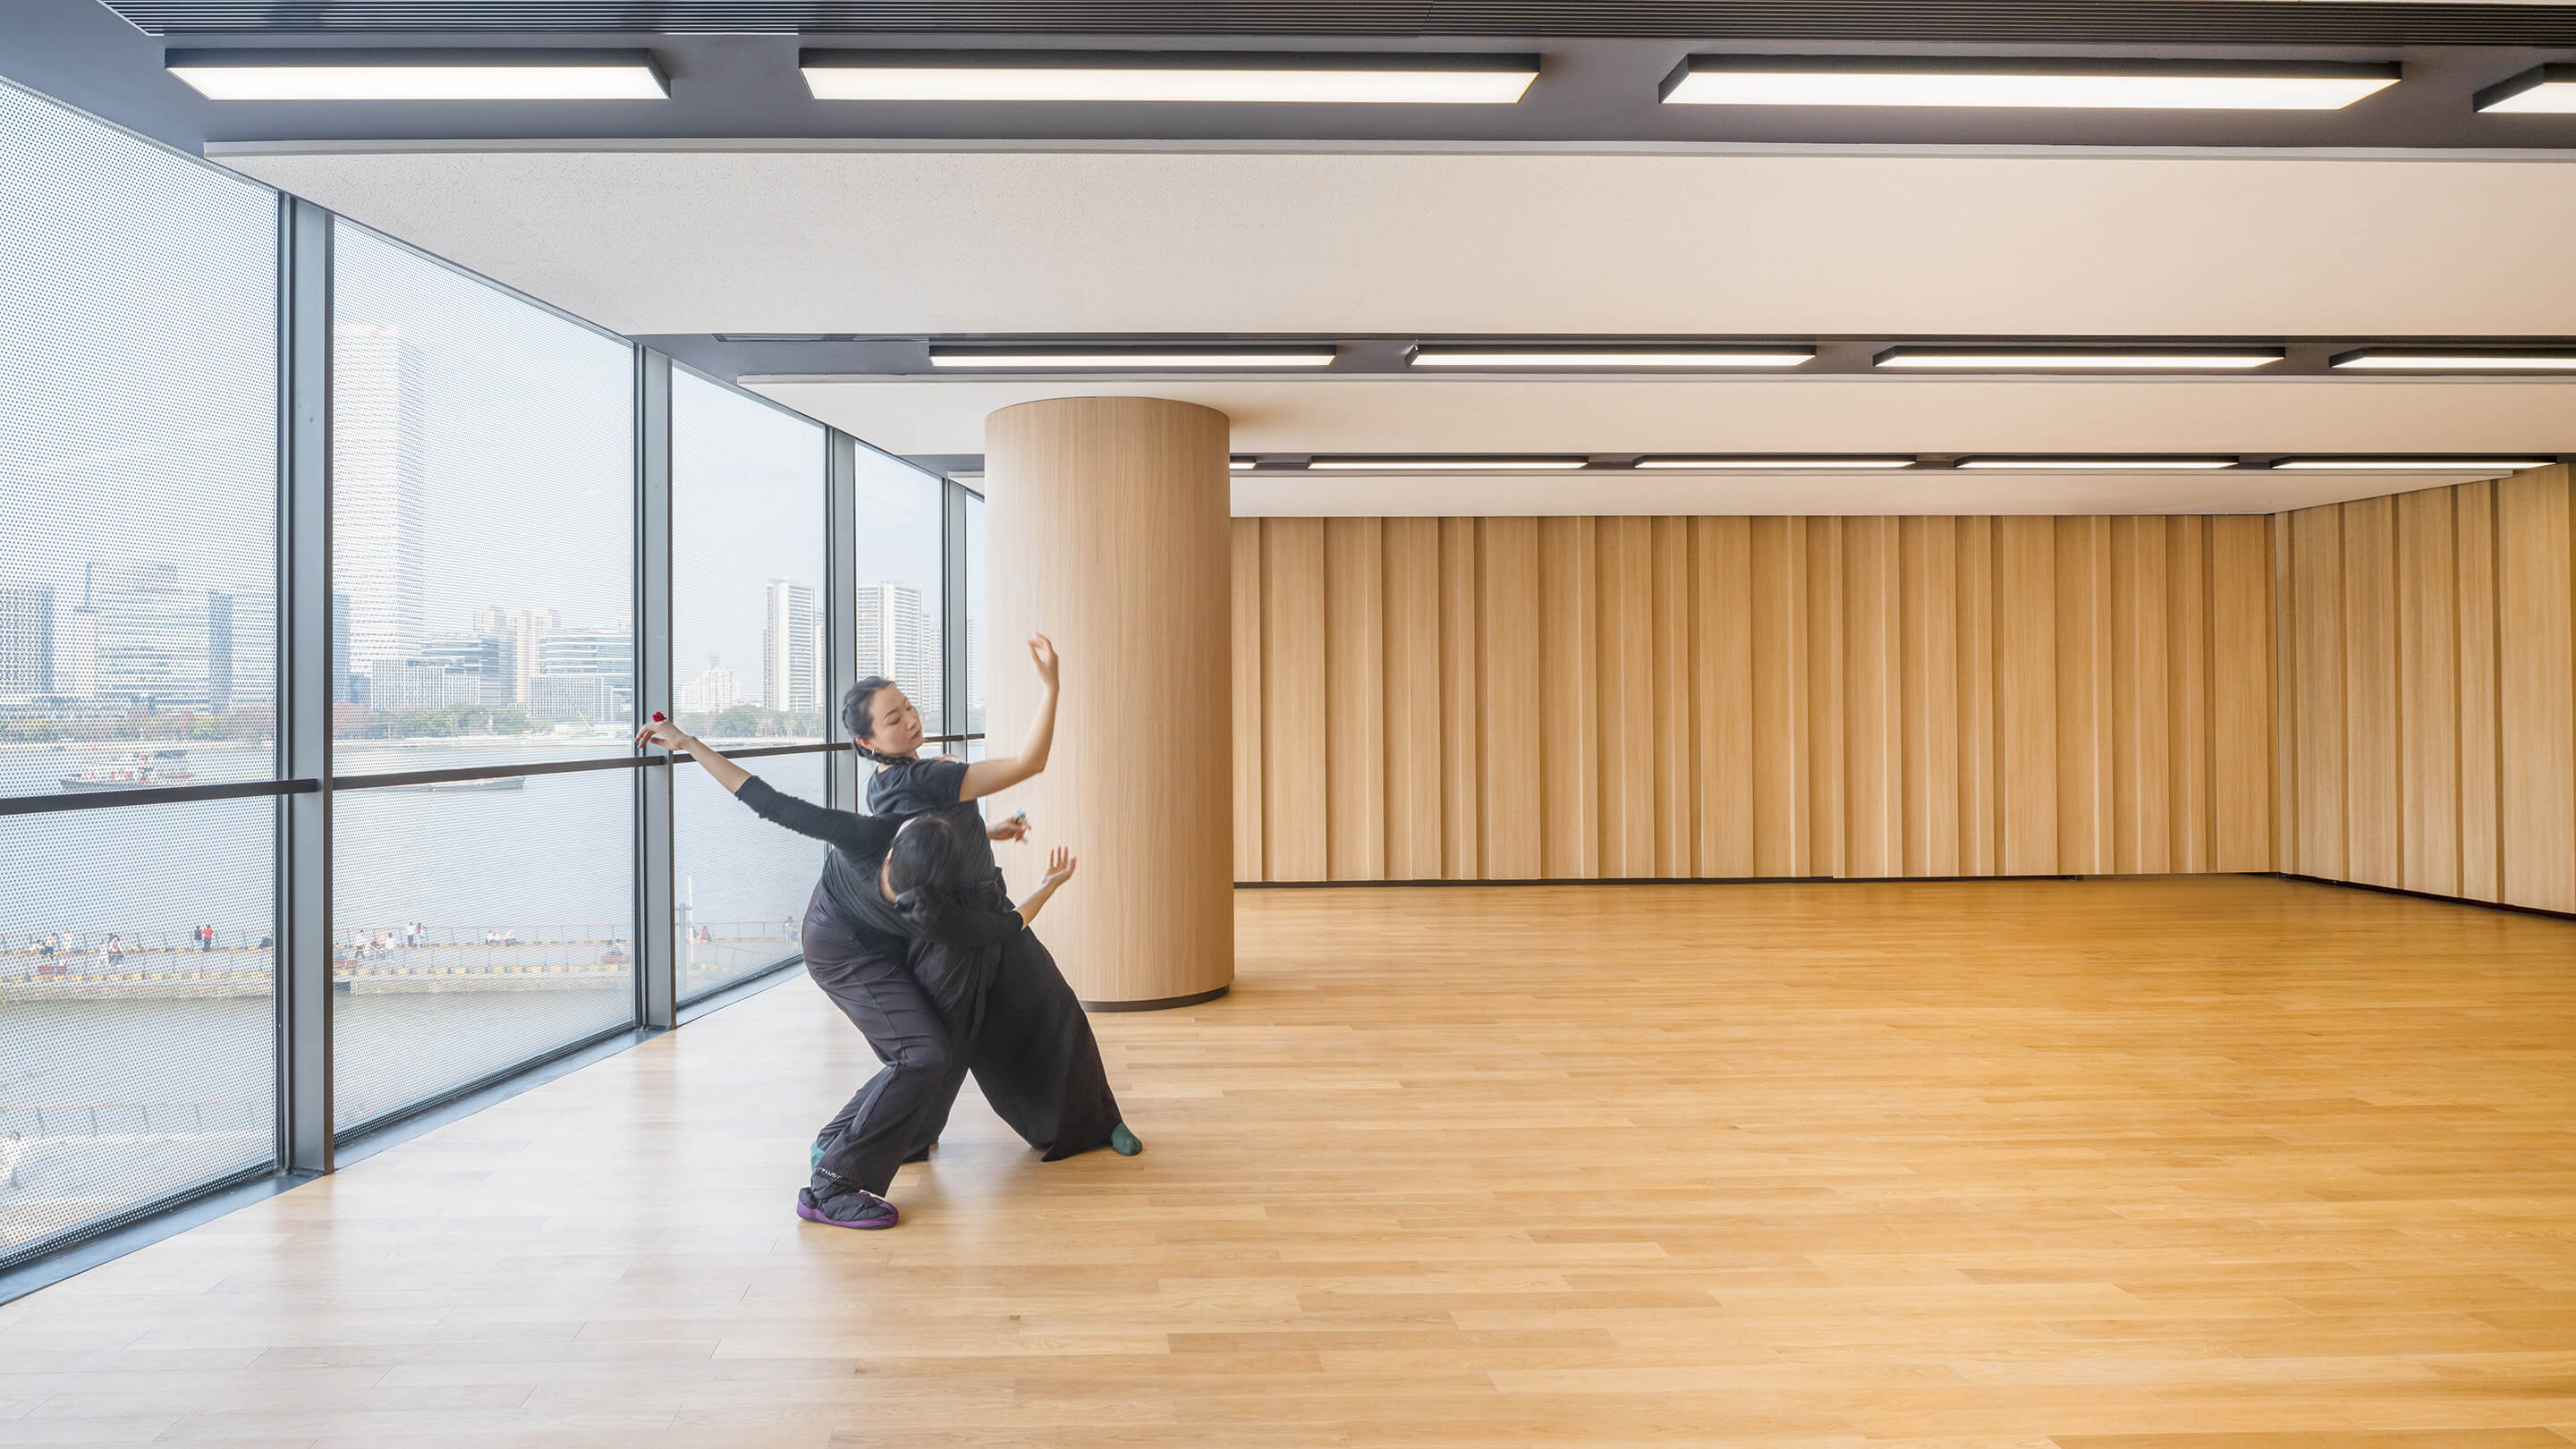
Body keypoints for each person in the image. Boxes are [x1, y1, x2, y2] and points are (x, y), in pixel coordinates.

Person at [631, 714, 1080, 1231]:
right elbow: (765, 799)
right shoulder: (864, 835)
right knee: (922, 1053)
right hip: (837, 950)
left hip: (883, 947)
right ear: (892, 839)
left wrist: (1044, 881)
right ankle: (832, 1187)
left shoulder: (937, 912)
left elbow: (1006, 926)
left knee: (924, 1051)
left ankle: (835, 1140)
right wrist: (688, 743)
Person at [848, 634, 1138, 1161]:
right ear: (867, 741)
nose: (909, 719)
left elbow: (930, 831)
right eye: (893, 719)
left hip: (989, 909)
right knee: (945, 1048)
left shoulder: (888, 779)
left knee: (1054, 1006)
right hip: (952, 934)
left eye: (908, 706)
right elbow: (1031, 762)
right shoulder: (926, 774)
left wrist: (990, 828)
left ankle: (1096, 1122)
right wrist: (1052, 686)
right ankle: (873, 1141)